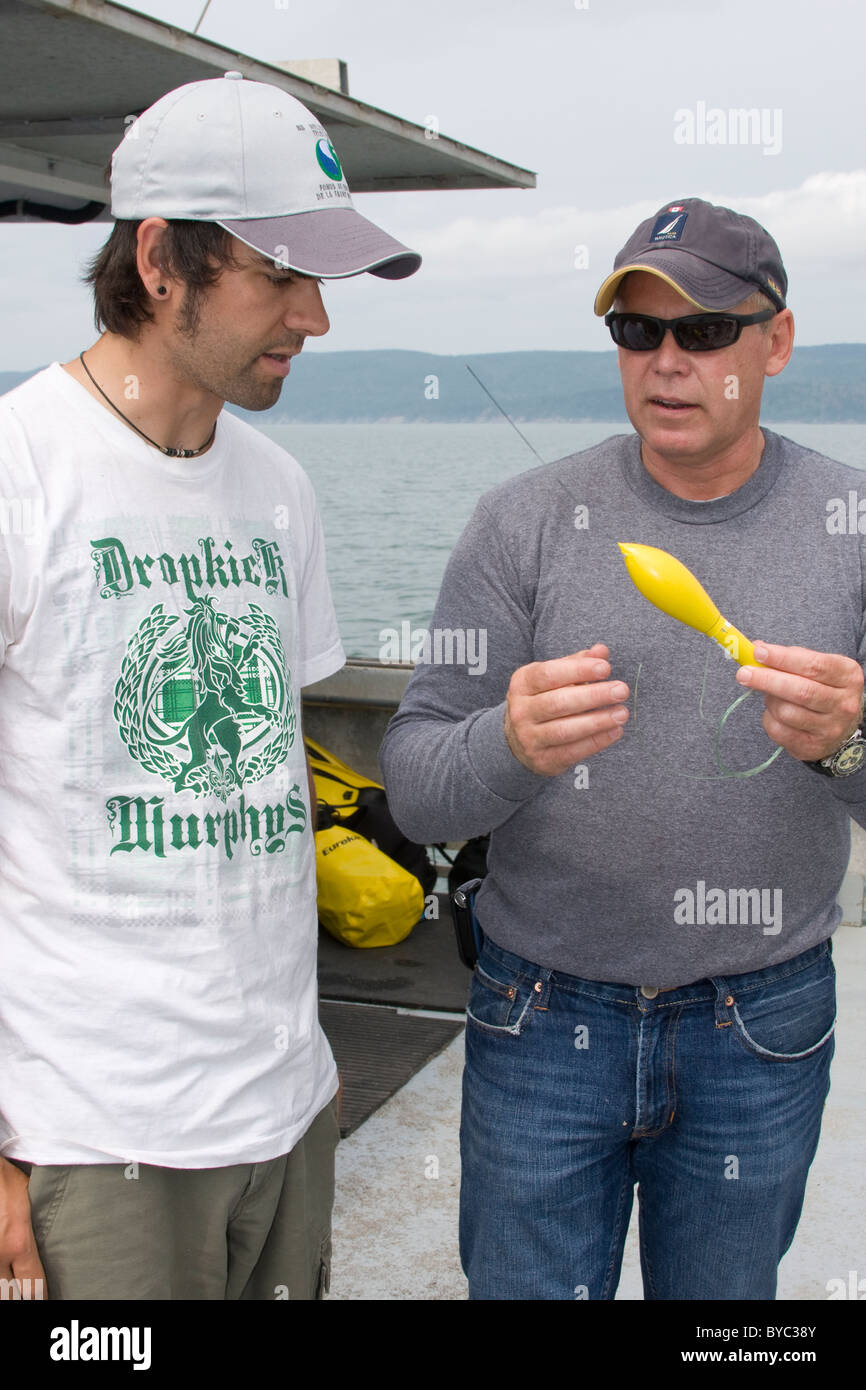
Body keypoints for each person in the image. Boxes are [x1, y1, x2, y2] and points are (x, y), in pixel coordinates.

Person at [380, 197, 864, 1300]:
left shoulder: (852, 524)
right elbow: (413, 787)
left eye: (701, 332)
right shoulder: (522, 521)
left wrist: (847, 746)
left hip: (761, 1025)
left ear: (774, 341)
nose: (665, 362)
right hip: (538, 1014)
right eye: (635, 332)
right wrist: (506, 744)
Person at [0, 71, 419, 1301]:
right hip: (95, 1137)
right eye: (280, 276)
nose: (314, 319)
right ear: (159, 260)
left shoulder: (277, 487)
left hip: (284, 1113)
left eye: (319, 282)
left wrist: (303, 1051)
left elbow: (266, 784)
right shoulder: (22, 473)